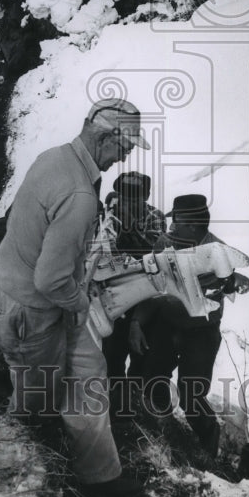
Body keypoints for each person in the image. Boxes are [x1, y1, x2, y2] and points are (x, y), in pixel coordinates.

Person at [0, 97, 151, 497]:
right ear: (107, 137)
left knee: (90, 373)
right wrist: (80, 304)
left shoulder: (54, 157)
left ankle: (101, 477)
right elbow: (50, 279)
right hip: (31, 312)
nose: (125, 157)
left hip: (25, 302)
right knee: (35, 406)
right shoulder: (79, 193)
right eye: (126, 148)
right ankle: (32, 486)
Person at [128, 194, 249, 458]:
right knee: (153, 378)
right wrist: (137, 322)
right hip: (166, 323)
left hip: (201, 333)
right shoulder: (165, 243)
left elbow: (226, 286)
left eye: (178, 222)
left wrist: (234, 279)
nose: (170, 228)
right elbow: (151, 286)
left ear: (194, 225)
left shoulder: (218, 252)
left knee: (192, 395)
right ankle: (160, 433)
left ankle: (208, 451)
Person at [100, 172, 166, 412]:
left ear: (145, 196)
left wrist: (125, 228)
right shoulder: (111, 215)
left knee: (142, 356)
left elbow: (149, 254)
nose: (128, 201)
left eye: (134, 197)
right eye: (124, 196)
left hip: (145, 295)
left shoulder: (154, 217)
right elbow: (104, 251)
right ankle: (116, 406)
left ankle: (136, 404)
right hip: (116, 294)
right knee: (112, 353)